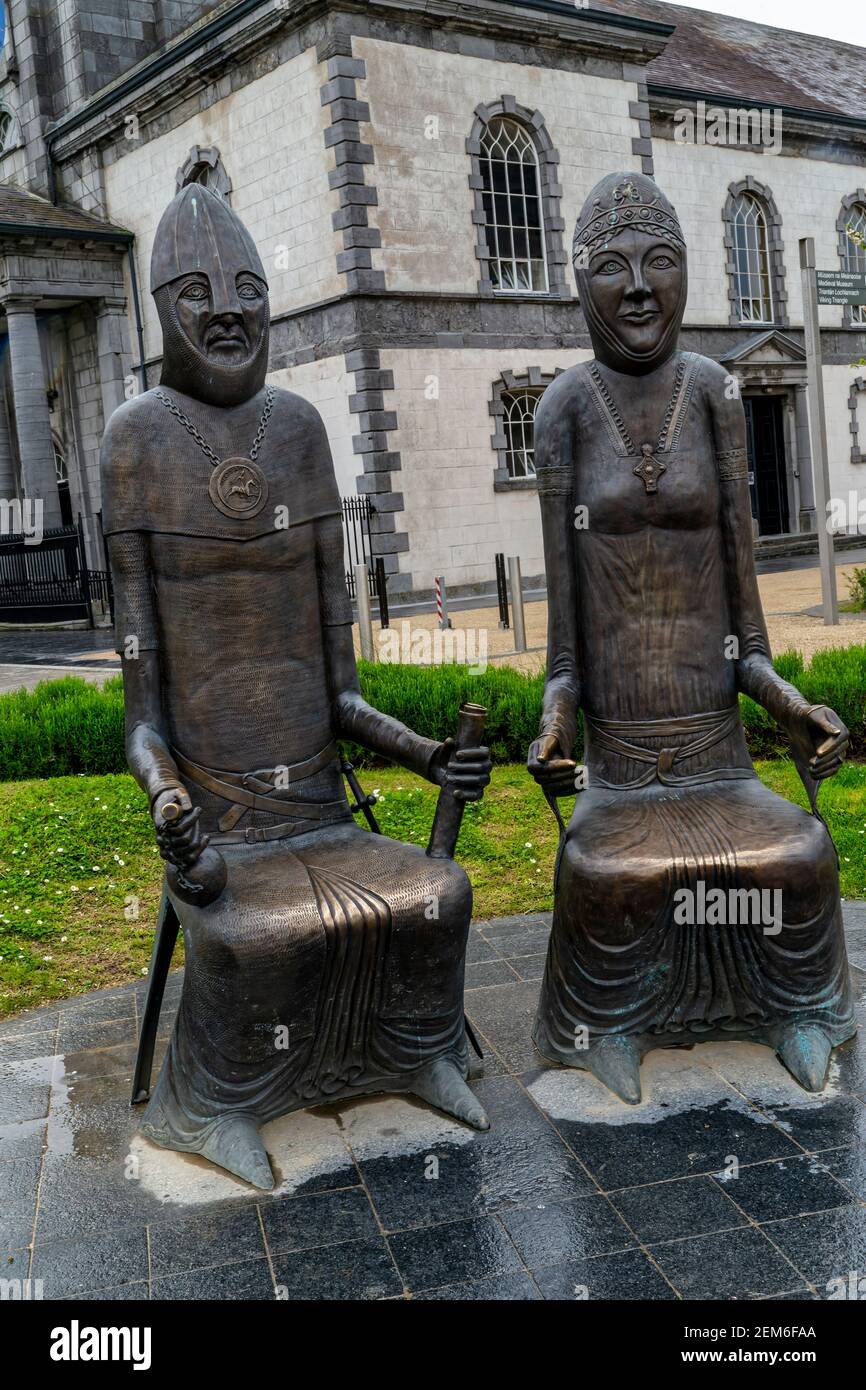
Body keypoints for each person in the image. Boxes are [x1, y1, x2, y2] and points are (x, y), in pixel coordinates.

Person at [101, 185, 491, 1188]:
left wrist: (422, 753)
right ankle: (214, 1105)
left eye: (248, 288)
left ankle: (418, 1053)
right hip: (223, 826)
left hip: (319, 807)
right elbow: (140, 723)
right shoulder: (134, 443)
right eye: (195, 292)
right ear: (158, 309)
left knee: (436, 889)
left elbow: (345, 694)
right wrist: (169, 797)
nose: (228, 310)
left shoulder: (304, 432)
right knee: (251, 926)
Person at [528, 172, 855, 1103]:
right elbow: (562, 658)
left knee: (798, 850)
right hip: (623, 767)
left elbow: (748, 637)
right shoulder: (562, 410)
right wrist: (554, 732)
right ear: (578, 285)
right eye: (611, 268)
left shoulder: (714, 394)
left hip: (719, 757)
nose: (637, 287)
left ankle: (794, 1011)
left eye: (660, 262)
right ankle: (609, 1023)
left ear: (688, 276)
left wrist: (794, 708)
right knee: (604, 863)